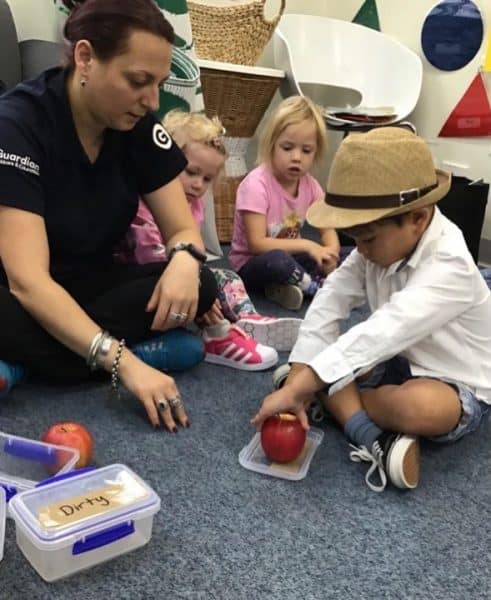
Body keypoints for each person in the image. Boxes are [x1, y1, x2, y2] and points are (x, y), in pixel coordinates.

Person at [0, 0, 219, 431]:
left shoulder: (136, 125)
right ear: (85, 57)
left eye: (158, 83)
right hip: (19, 293)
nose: (151, 99)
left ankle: (28, 365)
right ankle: (124, 356)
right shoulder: (15, 125)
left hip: (89, 286)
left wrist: (184, 260)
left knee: (203, 284)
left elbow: (181, 229)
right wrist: (128, 365)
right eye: (138, 81)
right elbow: (29, 282)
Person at [252, 127, 491, 492]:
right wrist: (304, 367)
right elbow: (330, 300)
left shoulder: (451, 263)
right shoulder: (374, 249)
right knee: (329, 360)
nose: (358, 251)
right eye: (355, 240)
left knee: (421, 409)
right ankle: (372, 437)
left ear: (418, 219)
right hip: (396, 360)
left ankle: (338, 406)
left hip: (459, 381)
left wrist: (304, 382)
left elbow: (387, 328)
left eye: (367, 239)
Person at [115, 109, 301, 367]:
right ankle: (217, 332)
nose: (198, 185)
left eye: (206, 179)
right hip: (145, 283)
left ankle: (247, 319)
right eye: (190, 173)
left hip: (171, 284)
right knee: (203, 291)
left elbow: (192, 250)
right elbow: (150, 256)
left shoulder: (194, 205)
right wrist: (197, 287)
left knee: (225, 277)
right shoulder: (144, 205)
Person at [229, 95, 340, 311]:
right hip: (252, 265)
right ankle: (317, 289)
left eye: (306, 151)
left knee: (350, 254)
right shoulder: (256, 185)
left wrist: (331, 252)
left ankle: (290, 286)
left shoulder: (310, 185)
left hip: (292, 256)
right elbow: (257, 244)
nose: (297, 157)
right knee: (279, 261)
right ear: (272, 145)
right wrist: (309, 245)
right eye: (287, 148)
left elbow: (327, 227)